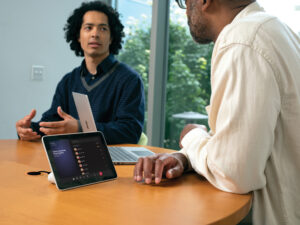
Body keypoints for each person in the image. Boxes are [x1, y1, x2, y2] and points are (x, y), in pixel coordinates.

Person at [134, 0, 300, 224]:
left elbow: (234, 172)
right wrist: (186, 159)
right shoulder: (278, 32)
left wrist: (192, 137)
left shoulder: (242, 42)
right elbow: (249, 140)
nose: (185, 12)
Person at [15, 1, 145, 144]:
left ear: (112, 37)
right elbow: (53, 121)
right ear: (78, 36)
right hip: (75, 156)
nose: (95, 34)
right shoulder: (69, 81)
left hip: (113, 160)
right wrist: (28, 130)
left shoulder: (129, 79)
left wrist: (80, 128)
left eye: (103, 29)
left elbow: (130, 131)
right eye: (88, 28)